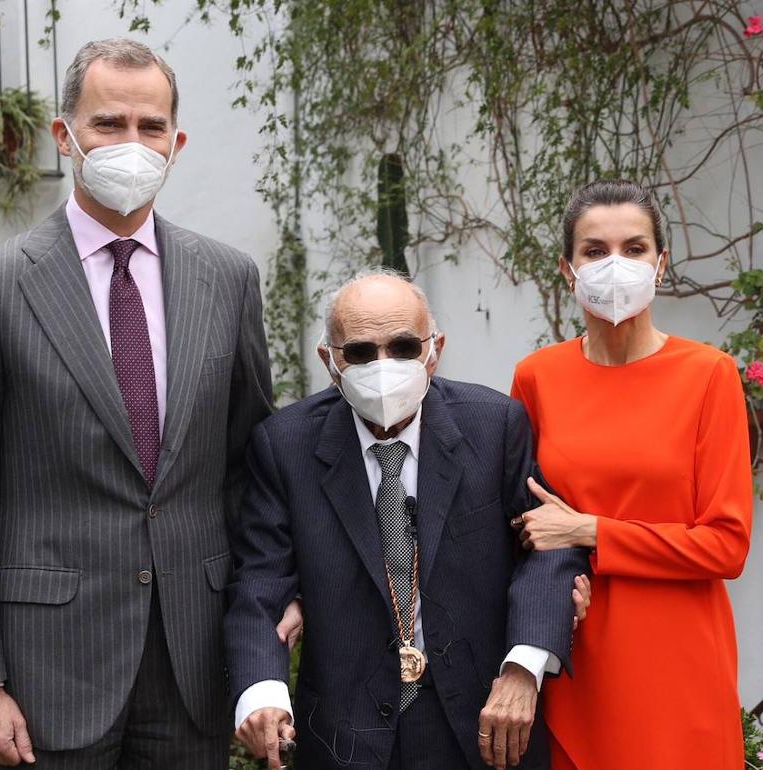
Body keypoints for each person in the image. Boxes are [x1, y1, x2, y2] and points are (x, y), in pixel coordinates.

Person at [0, 38, 300, 769]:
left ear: (176, 143)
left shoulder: (228, 279)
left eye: (150, 127)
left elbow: (250, 469)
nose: (132, 143)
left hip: (193, 662)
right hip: (45, 677)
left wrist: (266, 616)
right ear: (64, 135)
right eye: (108, 124)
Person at [225, 271, 592, 770]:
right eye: (359, 352)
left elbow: (550, 547)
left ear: (434, 349)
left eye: (402, 347)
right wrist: (263, 693)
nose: (383, 366)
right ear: (329, 361)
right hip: (345, 734)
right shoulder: (285, 445)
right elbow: (260, 581)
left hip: (485, 721)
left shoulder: (494, 425)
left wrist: (523, 669)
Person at [509, 180, 752, 769]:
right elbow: (520, 526)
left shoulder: (709, 376)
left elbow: (726, 546)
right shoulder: (537, 378)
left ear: (660, 263)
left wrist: (593, 531)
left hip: (680, 657)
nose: (615, 264)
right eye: (594, 251)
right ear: (568, 269)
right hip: (575, 651)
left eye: (635, 248)